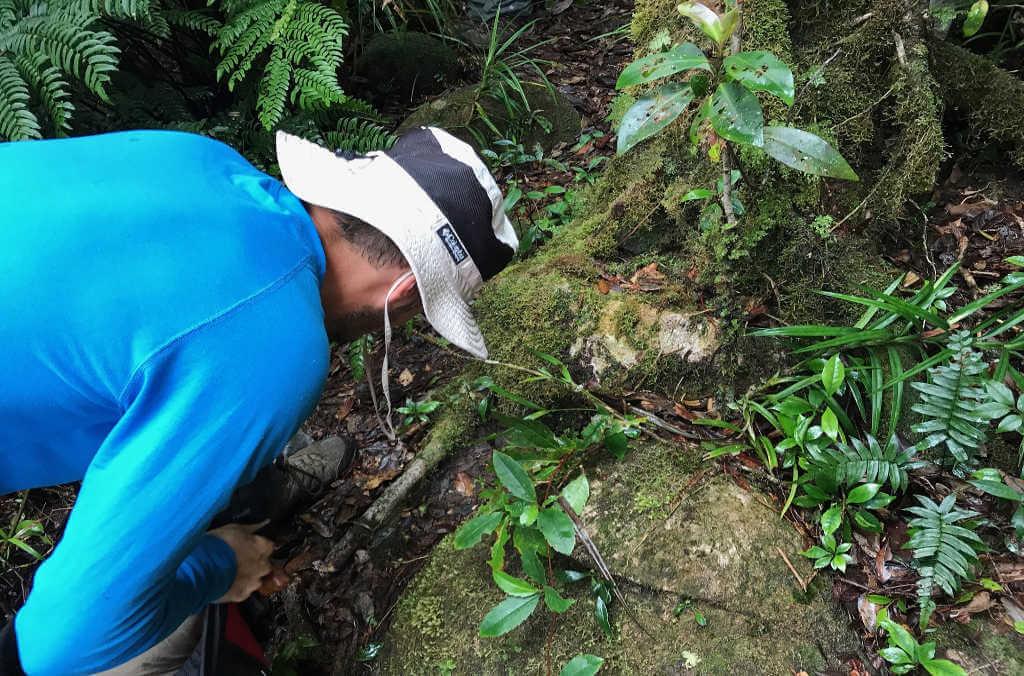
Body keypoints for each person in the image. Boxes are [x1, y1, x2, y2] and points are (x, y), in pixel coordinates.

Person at [0, 126, 518, 674]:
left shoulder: (198, 158)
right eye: (421, 315)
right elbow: (66, 641)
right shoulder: (273, 345)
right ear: (405, 292)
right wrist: (223, 567)